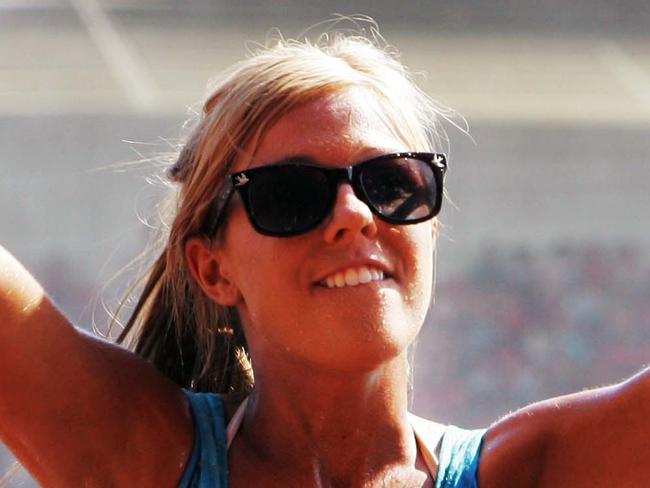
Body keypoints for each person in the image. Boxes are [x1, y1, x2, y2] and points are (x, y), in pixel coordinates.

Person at [1, 24, 649, 488]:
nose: (354, 214)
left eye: (392, 184)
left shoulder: (538, 469)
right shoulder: (139, 455)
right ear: (212, 269)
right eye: (290, 195)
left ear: (429, 229)